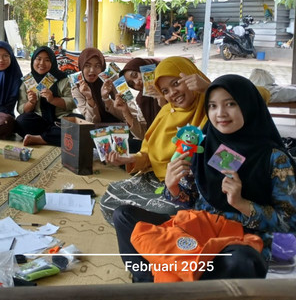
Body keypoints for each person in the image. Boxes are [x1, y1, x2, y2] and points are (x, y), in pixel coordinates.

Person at [113, 74, 296, 282]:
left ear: (248, 105)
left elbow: (289, 222)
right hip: (197, 230)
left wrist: (243, 204)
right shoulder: (206, 144)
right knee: (124, 216)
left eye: (231, 104)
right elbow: (191, 199)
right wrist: (173, 187)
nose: (221, 114)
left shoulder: (274, 158)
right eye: (213, 106)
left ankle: (177, 280)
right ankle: (152, 283)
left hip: (238, 239)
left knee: (242, 261)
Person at [98, 57, 211, 224]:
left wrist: (210, 89)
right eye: (165, 91)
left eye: (176, 83)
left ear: (192, 77)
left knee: (170, 214)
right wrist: (131, 159)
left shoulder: (214, 107)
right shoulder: (167, 110)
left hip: (187, 189)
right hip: (156, 177)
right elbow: (148, 149)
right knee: (109, 198)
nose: (172, 93)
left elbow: (256, 98)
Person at [16, 47, 76, 146]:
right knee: (20, 121)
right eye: (38, 59)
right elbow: (21, 109)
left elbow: (73, 102)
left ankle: (40, 139)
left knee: (78, 125)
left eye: (47, 60)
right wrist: (31, 103)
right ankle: (54, 136)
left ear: (52, 62)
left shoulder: (63, 79)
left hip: (61, 120)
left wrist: (53, 100)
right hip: (40, 121)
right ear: (33, 60)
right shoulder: (28, 81)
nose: (42, 63)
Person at [72, 47, 125, 124]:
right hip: (96, 132)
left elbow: (130, 114)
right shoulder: (76, 88)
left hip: (121, 129)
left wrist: (106, 99)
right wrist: (89, 98)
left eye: (97, 66)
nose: (92, 70)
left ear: (102, 67)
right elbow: (91, 122)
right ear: (81, 67)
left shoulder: (113, 78)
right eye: (87, 65)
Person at [118, 58, 167, 139]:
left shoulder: (170, 84)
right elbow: (144, 134)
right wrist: (125, 110)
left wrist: (163, 101)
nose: (137, 82)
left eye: (135, 75)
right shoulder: (141, 100)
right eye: (131, 84)